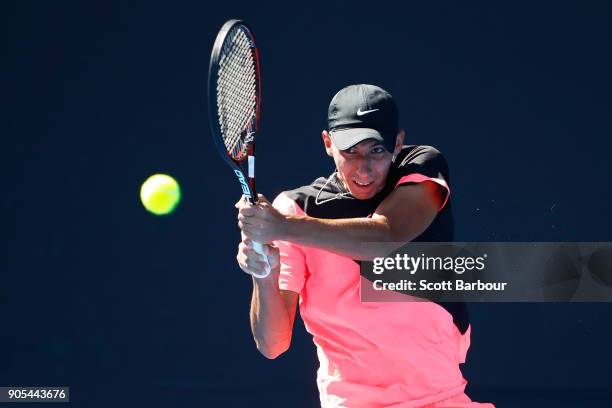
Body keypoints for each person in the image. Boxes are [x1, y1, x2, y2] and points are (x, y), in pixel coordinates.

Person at [235, 84, 494, 408]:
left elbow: (384, 237)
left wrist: (284, 227)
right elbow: (273, 344)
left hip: (441, 400)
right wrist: (263, 273)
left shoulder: (422, 170)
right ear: (328, 144)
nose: (364, 168)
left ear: (397, 143)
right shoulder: (295, 207)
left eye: (376, 150)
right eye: (350, 151)